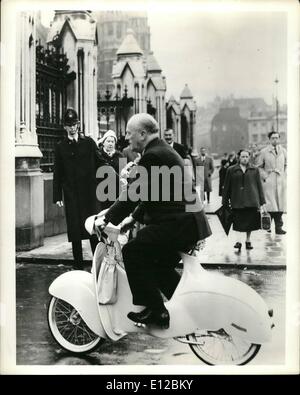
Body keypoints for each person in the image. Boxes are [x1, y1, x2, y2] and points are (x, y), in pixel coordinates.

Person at [97, 113, 212, 329]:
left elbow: (134, 193)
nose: (127, 138)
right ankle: (189, 306)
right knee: (156, 266)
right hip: (187, 223)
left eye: (130, 133)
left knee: (133, 251)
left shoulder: (154, 155)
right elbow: (153, 193)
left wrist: (106, 218)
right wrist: (132, 219)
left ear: (142, 134)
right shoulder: (160, 151)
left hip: (179, 224)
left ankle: (157, 311)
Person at [53, 108, 104, 270]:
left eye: (74, 124)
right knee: (75, 231)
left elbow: (101, 162)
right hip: (71, 194)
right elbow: (58, 172)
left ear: (79, 124)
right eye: (69, 125)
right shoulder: (60, 146)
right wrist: (57, 195)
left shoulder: (88, 143)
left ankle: (98, 265)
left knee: (92, 229)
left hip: (89, 193)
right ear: (64, 127)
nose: (72, 128)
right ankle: (78, 266)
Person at [222, 149, 267, 251]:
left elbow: (259, 186)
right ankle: (238, 241)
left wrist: (262, 202)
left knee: (249, 223)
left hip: (251, 200)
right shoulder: (231, 170)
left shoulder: (254, 170)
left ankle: (248, 240)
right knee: (237, 223)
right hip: (237, 201)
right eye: (243, 157)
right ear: (239, 157)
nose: (245, 159)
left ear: (249, 157)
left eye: (247, 156)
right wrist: (224, 201)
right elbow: (227, 186)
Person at [257, 131, 287, 234]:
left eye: (277, 138)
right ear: (269, 139)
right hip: (269, 181)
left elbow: (287, 164)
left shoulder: (283, 151)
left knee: (280, 205)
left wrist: (284, 175)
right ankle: (268, 225)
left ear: (279, 139)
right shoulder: (264, 152)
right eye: (273, 138)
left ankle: (279, 227)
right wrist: (265, 176)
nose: (275, 140)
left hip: (280, 181)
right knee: (270, 204)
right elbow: (259, 167)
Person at [97, 130, 124, 210]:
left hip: (116, 192)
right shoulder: (99, 155)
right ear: (103, 142)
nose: (110, 143)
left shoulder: (120, 156)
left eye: (112, 141)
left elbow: (123, 174)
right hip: (102, 191)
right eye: (108, 141)